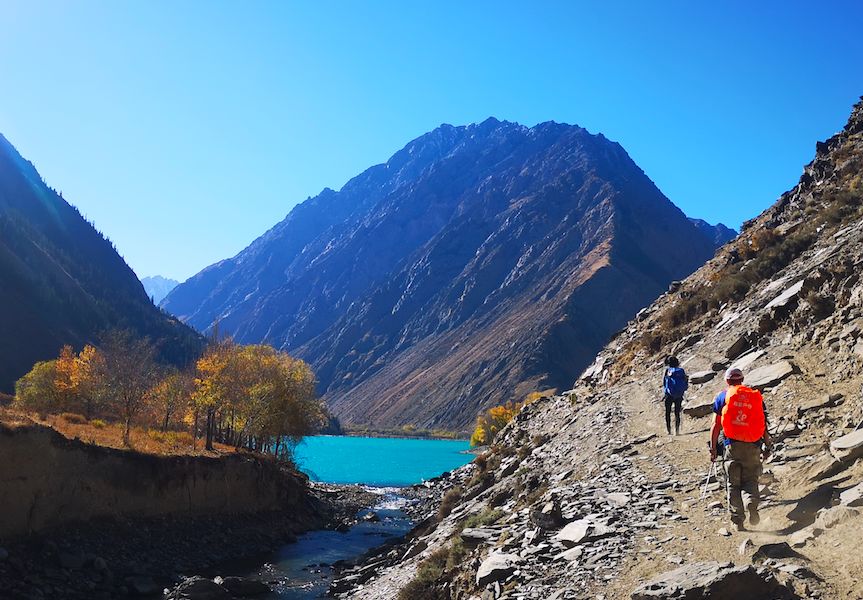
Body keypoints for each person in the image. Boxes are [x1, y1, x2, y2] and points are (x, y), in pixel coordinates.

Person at [709, 367, 772, 531]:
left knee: (733, 483)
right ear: (742, 380)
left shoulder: (723, 397)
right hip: (753, 445)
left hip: (732, 445)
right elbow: (763, 425)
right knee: (750, 479)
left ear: (727, 381)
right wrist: (767, 446)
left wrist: (713, 448)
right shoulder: (754, 397)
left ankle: (738, 520)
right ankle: (751, 502)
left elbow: (716, 426)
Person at [662, 356, 688, 435]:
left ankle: (669, 431)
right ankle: (677, 431)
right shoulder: (681, 371)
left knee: (668, 412)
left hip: (669, 395)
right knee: (677, 413)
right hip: (679, 395)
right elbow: (685, 380)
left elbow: (664, 382)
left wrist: (665, 392)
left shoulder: (667, 370)